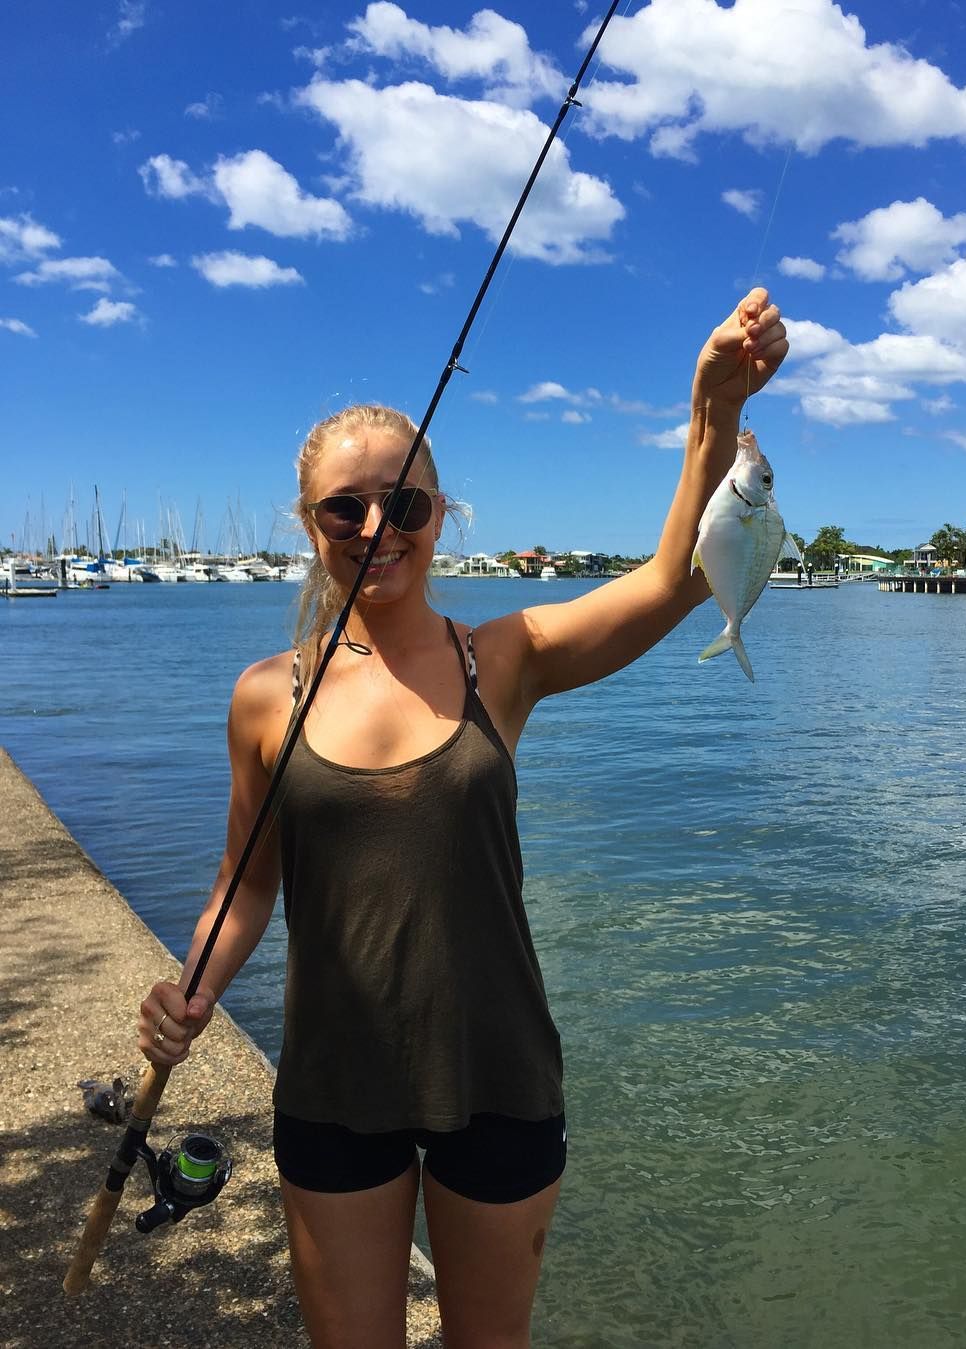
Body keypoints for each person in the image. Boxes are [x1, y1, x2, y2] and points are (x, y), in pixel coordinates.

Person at [139, 287, 788, 1349]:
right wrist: (195, 986)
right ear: (309, 525)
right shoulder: (265, 696)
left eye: (405, 504)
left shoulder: (506, 659)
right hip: (334, 1078)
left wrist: (713, 409)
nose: (377, 529)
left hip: (500, 1070)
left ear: (441, 514)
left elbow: (674, 578)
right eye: (345, 509)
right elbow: (247, 881)